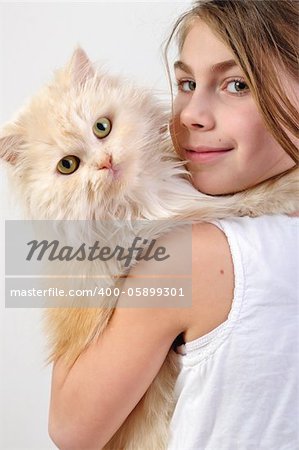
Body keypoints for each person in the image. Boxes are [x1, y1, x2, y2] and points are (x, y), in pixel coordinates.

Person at [48, 1, 298, 449]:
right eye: (186, 83)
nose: (189, 114)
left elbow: (71, 430)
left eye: (236, 84)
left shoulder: (193, 256)